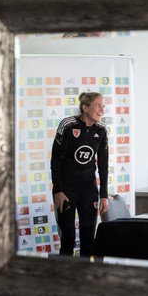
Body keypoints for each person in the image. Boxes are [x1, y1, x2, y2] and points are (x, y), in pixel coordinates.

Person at [51, 92, 109, 257]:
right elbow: (55, 161)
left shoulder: (102, 131)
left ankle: (85, 279)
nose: (102, 110)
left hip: (88, 190)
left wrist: (103, 196)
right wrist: (58, 191)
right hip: (66, 189)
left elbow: (103, 166)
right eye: (98, 105)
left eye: (103, 106)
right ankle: (66, 279)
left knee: (88, 241)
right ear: (85, 107)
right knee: (67, 239)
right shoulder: (67, 125)